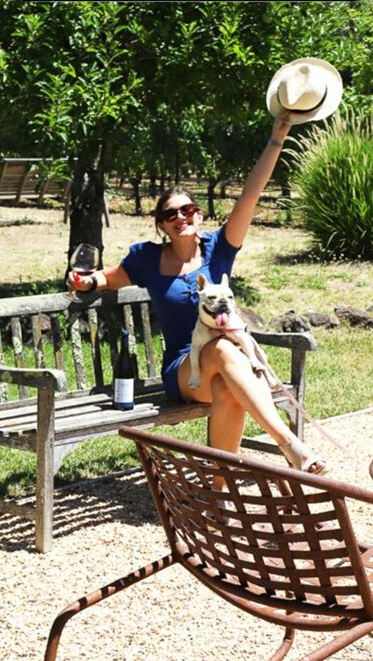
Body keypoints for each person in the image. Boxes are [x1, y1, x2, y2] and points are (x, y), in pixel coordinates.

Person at [69, 110, 327, 478]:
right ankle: (289, 445)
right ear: (161, 225)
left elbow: (250, 198)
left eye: (188, 209)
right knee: (220, 349)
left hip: (227, 370)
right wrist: (83, 282)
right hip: (184, 370)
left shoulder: (219, 249)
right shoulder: (147, 258)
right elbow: (106, 279)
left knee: (227, 389)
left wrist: (277, 137)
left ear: (199, 215)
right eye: (171, 214)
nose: (181, 216)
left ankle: (220, 490)